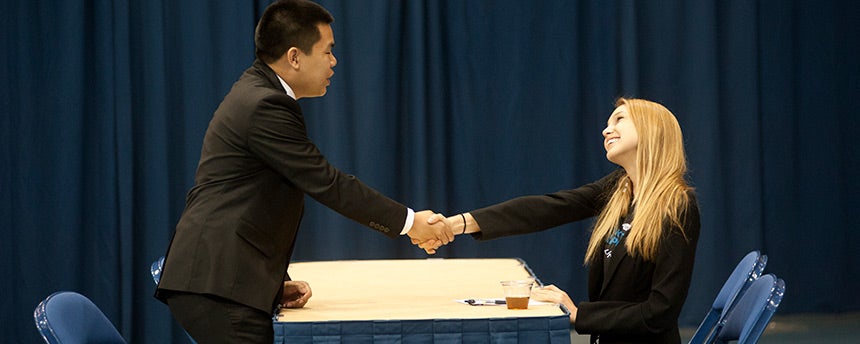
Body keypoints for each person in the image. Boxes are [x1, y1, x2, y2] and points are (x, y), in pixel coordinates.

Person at [154, 0, 453, 342]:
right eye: (327, 51)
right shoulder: (264, 104)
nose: (334, 61)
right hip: (217, 287)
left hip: (225, 281)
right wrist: (410, 223)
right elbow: (327, 183)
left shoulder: (258, 92)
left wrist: (268, 286)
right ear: (295, 57)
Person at [427, 98, 700, 343]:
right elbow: (547, 208)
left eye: (619, 120)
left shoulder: (677, 206)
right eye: (607, 123)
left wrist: (579, 314)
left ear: (652, 130)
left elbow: (660, 311)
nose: (606, 130)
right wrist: (455, 225)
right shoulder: (619, 188)